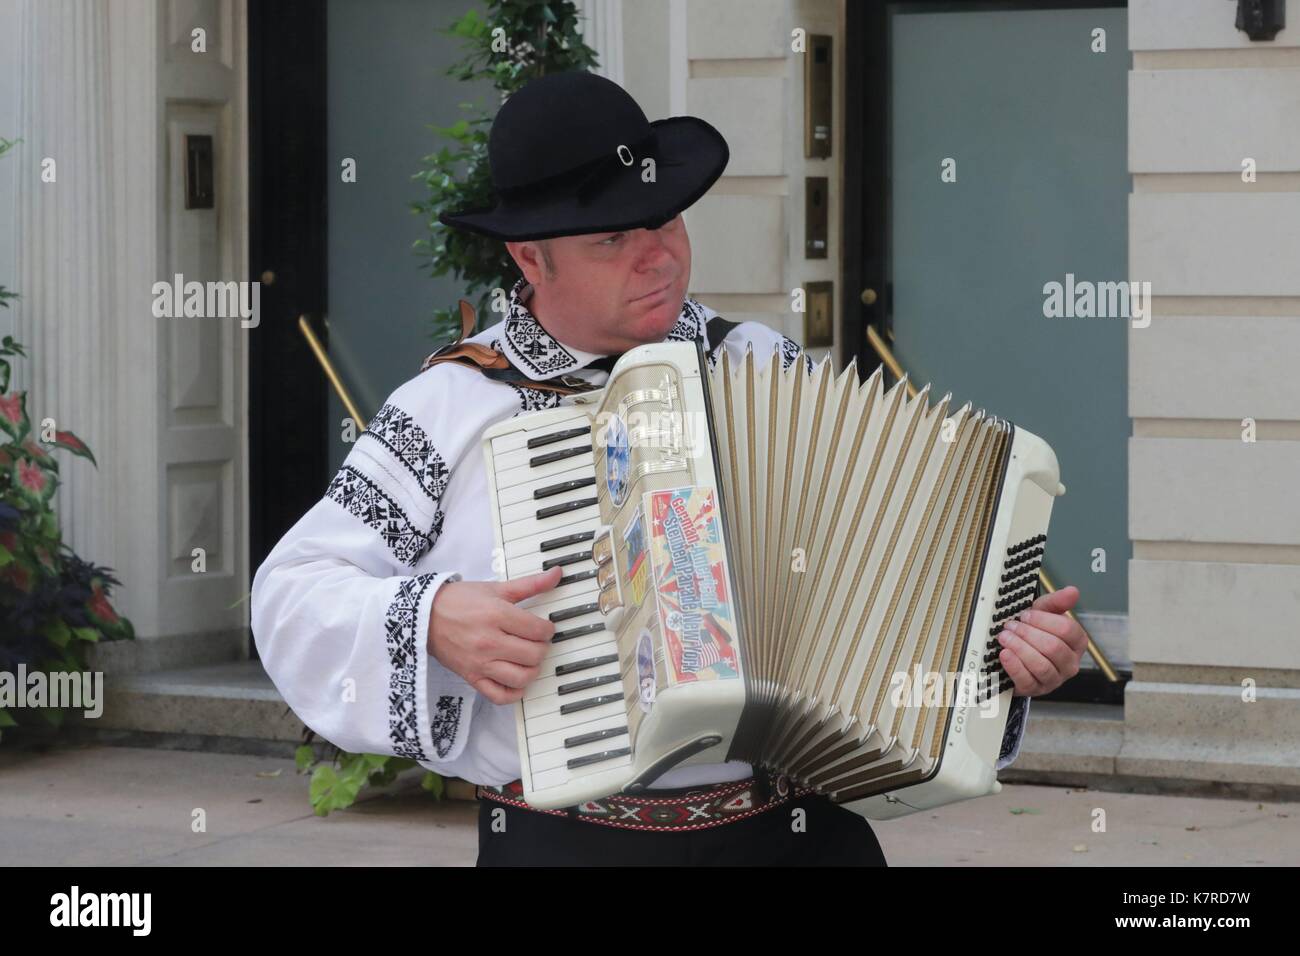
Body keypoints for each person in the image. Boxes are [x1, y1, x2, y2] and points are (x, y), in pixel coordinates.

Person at [250, 71, 1089, 866]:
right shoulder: (450, 408)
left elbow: (886, 587)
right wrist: (432, 617)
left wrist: (1003, 655)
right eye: (614, 237)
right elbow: (293, 592)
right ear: (530, 259)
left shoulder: (764, 368)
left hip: (797, 839)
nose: (657, 256)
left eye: (667, 220)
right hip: (565, 848)